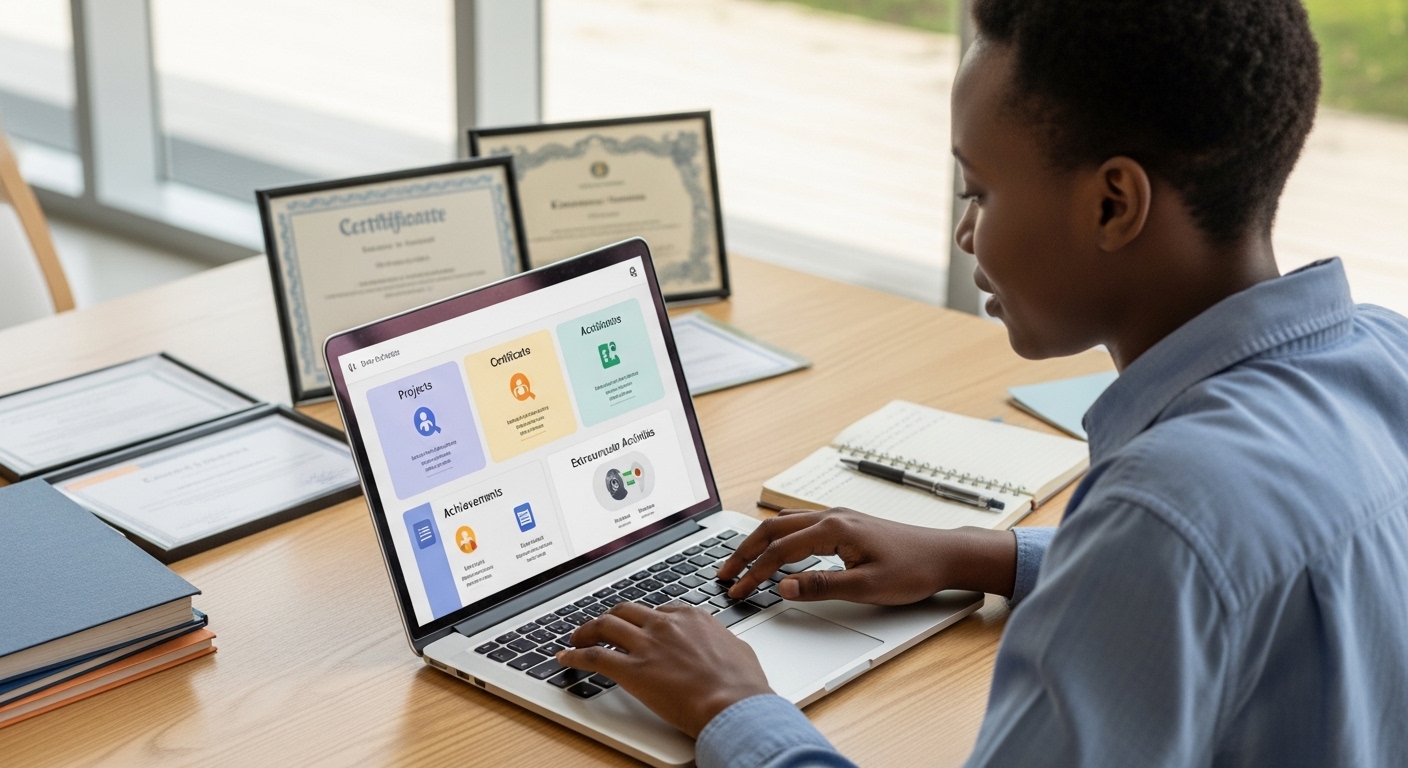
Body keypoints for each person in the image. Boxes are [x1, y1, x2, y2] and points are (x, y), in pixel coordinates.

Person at [556, 0, 1408, 765]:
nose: (966, 233)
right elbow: (1247, 584)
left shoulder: (1163, 512)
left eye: (979, 190)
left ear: (1114, 203)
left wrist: (730, 707)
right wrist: (983, 556)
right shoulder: (1383, 355)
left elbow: (1174, 550)